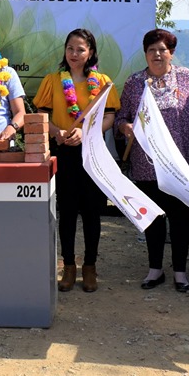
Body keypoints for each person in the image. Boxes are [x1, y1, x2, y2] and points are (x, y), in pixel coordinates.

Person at [117, 29, 189, 295]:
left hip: (182, 164)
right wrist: (125, 127)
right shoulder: (135, 83)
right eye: (151, 50)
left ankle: (180, 272)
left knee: (181, 217)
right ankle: (155, 269)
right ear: (145, 54)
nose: (157, 54)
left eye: (162, 49)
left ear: (171, 52)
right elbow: (121, 118)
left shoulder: (187, 78)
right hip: (146, 164)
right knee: (154, 219)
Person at [33, 30, 119, 293]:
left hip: (92, 152)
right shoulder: (53, 81)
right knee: (67, 212)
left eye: (80, 49)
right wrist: (57, 131)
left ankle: (90, 266)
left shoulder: (103, 82)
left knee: (93, 212)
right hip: (65, 153)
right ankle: (68, 266)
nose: (74, 54)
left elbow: (109, 117)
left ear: (90, 52)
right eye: (70, 48)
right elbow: (41, 115)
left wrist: (87, 132)